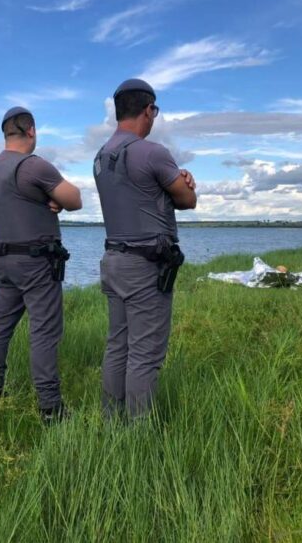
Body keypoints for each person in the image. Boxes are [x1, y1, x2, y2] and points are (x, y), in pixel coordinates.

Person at [93, 78, 197, 419]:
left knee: (117, 345)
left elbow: (140, 195)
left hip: (113, 259)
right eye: (155, 111)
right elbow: (187, 200)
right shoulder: (152, 152)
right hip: (145, 266)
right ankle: (138, 435)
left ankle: (111, 422)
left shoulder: (101, 156)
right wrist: (184, 183)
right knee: (145, 355)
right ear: (148, 110)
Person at [0, 106, 82, 423]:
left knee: (0, 327)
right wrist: (55, 201)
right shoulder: (33, 166)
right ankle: (51, 408)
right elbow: (75, 199)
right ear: (32, 131)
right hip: (36, 263)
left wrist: (47, 200)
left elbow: (18, 204)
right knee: (44, 331)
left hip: (2, 260)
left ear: (5, 133)